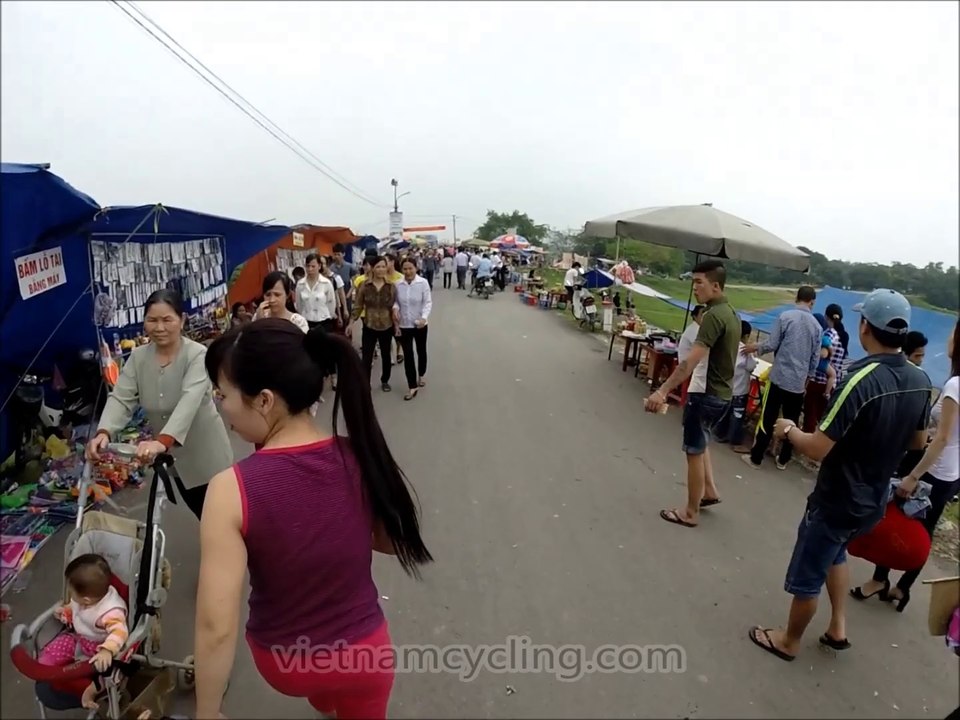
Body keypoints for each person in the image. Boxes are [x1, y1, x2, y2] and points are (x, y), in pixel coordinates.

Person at [193, 319, 432, 719]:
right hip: (366, 657)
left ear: (265, 400)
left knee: (325, 692)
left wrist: (207, 712)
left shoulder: (228, 490)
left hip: (288, 664)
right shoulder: (359, 454)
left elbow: (217, 627)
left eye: (223, 395)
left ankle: (325, 699)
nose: (224, 410)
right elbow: (392, 541)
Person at [748, 289, 932, 662]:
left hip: (838, 498)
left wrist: (786, 430)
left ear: (865, 326)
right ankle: (838, 628)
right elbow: (918, 440)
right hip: (874, 498)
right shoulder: (920, 379)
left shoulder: (859, 379)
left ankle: (789, 641)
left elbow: (817, 447)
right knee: (836, 555)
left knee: (808, 575)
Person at [851, 318, 960, 612]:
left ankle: (881, 580)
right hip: (950, 473)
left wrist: (913, 476)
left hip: (930, 470)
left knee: (895, 523)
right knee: (924, 531)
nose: (949, 338)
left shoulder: (955, 384)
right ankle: (901, 588)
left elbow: (942, 438)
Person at [87, 289, 233, 485]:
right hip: (174, 461)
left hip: (207, 458)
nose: (159, 327)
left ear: (181, 321)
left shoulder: (198, 355)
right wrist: (104, 432)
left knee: (220, 514)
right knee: (196, 510)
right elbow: (121, 398)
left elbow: (189, 402)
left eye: (167, 320)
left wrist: (161, 441)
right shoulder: (138, 358)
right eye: (152, 320)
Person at [644, 260, 740, 527]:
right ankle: (709, 491)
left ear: (716, 285)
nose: (695, 287)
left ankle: (690, 512)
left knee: (693, 451)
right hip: (723, 394)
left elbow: (689, 361)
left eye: (700, 282)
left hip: (705, 393)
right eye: (694, 282)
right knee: (702, 443)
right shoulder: (731, 313)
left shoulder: (712, 317)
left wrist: (662, 390)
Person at [739, 286, 822, 469]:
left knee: (767, 418)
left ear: (796, 298)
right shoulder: (817, 327)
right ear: (812, 302)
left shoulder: (785, 317)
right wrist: (808, 378)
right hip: (798, 384)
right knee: (791, 424)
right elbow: (815, 358)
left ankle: (756, 457)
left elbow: (772, 343)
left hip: (779, 378)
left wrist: (756, 347)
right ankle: (783, 460)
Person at [41, 554, 128, 710]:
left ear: (86, 600)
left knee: (106, 673)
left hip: (100, 649)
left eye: (72, 592)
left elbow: (119, 632)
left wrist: (107, 650)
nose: (70, 596)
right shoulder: (85, 599)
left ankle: (91, 691)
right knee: (57, 646)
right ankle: (45, 666)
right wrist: (66, 612)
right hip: (80, 639)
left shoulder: (110, 611)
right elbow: (76, 608)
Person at [349, 256, 399, 392]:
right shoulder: (364, 286)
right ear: (372, 268)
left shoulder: (391, 286)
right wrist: (351, 322)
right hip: (369, 325)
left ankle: (385, 380)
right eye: (378, 266)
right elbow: (358, 305)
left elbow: (395, 306)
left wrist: (397, 325)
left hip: (387, 325)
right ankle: (366, 383)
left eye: (383, 266)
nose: (381, 269)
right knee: (367, 357)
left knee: (386, 355)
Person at [716, 320, 758, 448]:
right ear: (746, 336)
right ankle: (734, 438)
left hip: (726, 387)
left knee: (724, 412)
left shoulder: (727, 345)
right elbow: (751, 367)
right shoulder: (745, 351)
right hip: (740, 391)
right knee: (737, 415)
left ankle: (720, 434)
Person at [395, 257, 432, 401]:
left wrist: (424, 317)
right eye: (405, 269)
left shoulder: (423, 283)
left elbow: (427, 302)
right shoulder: (398, 284)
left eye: (410, 268)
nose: (408, 271)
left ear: (416, 268)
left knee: (421, 350)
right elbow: (396, 302)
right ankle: (412, 386)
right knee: (408, 355)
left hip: (420, 324)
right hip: (405, 324)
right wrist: (395, 309)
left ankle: (421, 374)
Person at [294, 254, 337, 331]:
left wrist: (329, 316)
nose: (310, 269)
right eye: (308, 266)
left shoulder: (326, 283)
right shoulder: (300, 284)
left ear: (319, 266)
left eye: (313, 266)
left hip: (323, 322)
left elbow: (331, 303)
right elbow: (299, 304)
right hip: (306, 322)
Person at [321, 255, 349, 330]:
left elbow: (341, 294)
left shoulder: (336, 278)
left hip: (335, 309)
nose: (321, 266)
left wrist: (345, 309)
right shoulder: (317, 279)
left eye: (323, 263)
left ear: (328, 264)